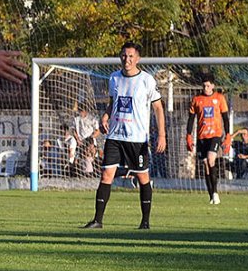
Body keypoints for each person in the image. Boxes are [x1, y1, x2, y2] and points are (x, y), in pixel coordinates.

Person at [83, 42, 166, 230]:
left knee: (143, 177)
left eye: (130, 56)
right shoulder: (114, 78)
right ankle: (97, 220)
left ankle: (145, 222)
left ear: (137, 59)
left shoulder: (146, 80)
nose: (126, 60)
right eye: (124, 55)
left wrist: (161, 134)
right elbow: (113, 103)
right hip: (115, 136)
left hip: (137, 139)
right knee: (106, 175)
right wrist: (105, 115)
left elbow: (158, 108)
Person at [185, 74, 230, 204]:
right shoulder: (196, 99)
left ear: (213, 86)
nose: (206, 88)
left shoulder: (219, 98)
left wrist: (227, 135)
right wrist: (188, 136)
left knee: (211, 160)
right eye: (204, 85)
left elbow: (226, 118)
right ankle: (211, 195)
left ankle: (215, 192)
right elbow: (191, 119)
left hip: (215, 135)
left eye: (208, 85)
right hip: (201, 137)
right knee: (205, 164)